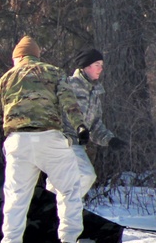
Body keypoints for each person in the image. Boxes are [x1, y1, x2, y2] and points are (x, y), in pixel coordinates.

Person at [0, 36, 90, 243]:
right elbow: (68, 101)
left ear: (18, 57)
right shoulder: (54, 72)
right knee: (69, 188)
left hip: (18, 142)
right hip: (50, 138)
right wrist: (80, 126)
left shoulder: (6, 78)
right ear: (35, 55)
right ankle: (69, 241)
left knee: (16, 196)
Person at [47, 48, 126, 198]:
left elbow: (95, 126)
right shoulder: (68, 85)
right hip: (62, 141)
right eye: (97, 64)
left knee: (60, 184)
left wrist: (110, 140)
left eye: (102, 65)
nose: (101, 69)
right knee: (86, 175)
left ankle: (56, 211)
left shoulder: (95, 93)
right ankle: (64, 207)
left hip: (77, 145)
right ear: (86, 66)